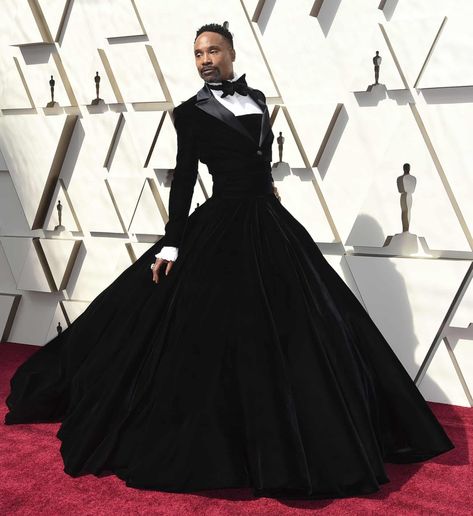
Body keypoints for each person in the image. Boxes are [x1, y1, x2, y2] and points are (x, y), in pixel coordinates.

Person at [4, 23, 454, 500]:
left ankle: (309, 433)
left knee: (306, 327)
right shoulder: (189, 113)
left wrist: (268, 188)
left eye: (213, 50)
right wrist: (174, 242)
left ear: (232, 52)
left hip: (270, 222)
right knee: (212, 332)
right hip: (221, 224)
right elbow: (183, 180)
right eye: (198, 53)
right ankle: (227, 443)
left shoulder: (259, 98)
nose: (205, 59)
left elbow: (259, 158)